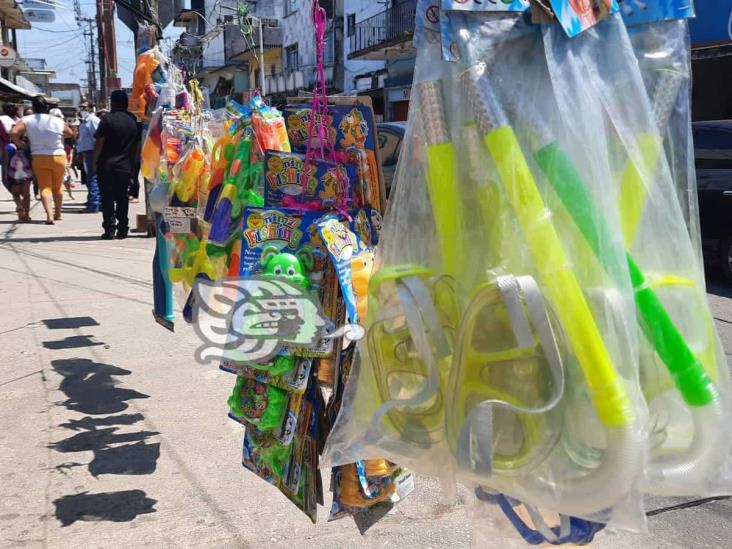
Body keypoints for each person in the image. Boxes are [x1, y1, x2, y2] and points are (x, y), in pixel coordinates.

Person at [11, 96, 74, 225]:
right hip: (59, 155)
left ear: (33, 108)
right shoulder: (56, 120)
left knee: (45, 187)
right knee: (58, 187)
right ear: (46, 108)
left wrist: (22, 145)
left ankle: (49, 215)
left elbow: (13, 133)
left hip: (39, 157)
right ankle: (58, 213)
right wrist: (59, 136)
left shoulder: (27, 120)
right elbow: (70, 133)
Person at [94, 90, 141, 240]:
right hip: (126, 166)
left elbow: (99, 143)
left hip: (106, 166)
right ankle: (122, 229)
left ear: (113, 103)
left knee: (107, 198)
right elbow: (138, 145)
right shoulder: (133, 120)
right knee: (122, 198)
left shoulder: (107, 119)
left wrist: (94, 162)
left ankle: (109, 229)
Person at [76, 101, 100, 213]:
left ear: (91, 108)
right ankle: (92, 201)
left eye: (84, 107)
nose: (82, 109)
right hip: (86, 152)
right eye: (81, 107)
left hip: (92, 151)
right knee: (90, 178)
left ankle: (94, 204)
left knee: (93, 178)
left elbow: (98, 137)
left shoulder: (92, 121)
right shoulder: (84, 122)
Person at [22, 106, 40, 200]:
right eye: (27, 114)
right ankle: (26, 193)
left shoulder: (35, 125)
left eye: (30, 114)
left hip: (35, 151)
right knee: (26, 175)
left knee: (36, 174)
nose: (28, 116)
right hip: (24, 153)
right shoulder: (21, 124)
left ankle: (36, 192)